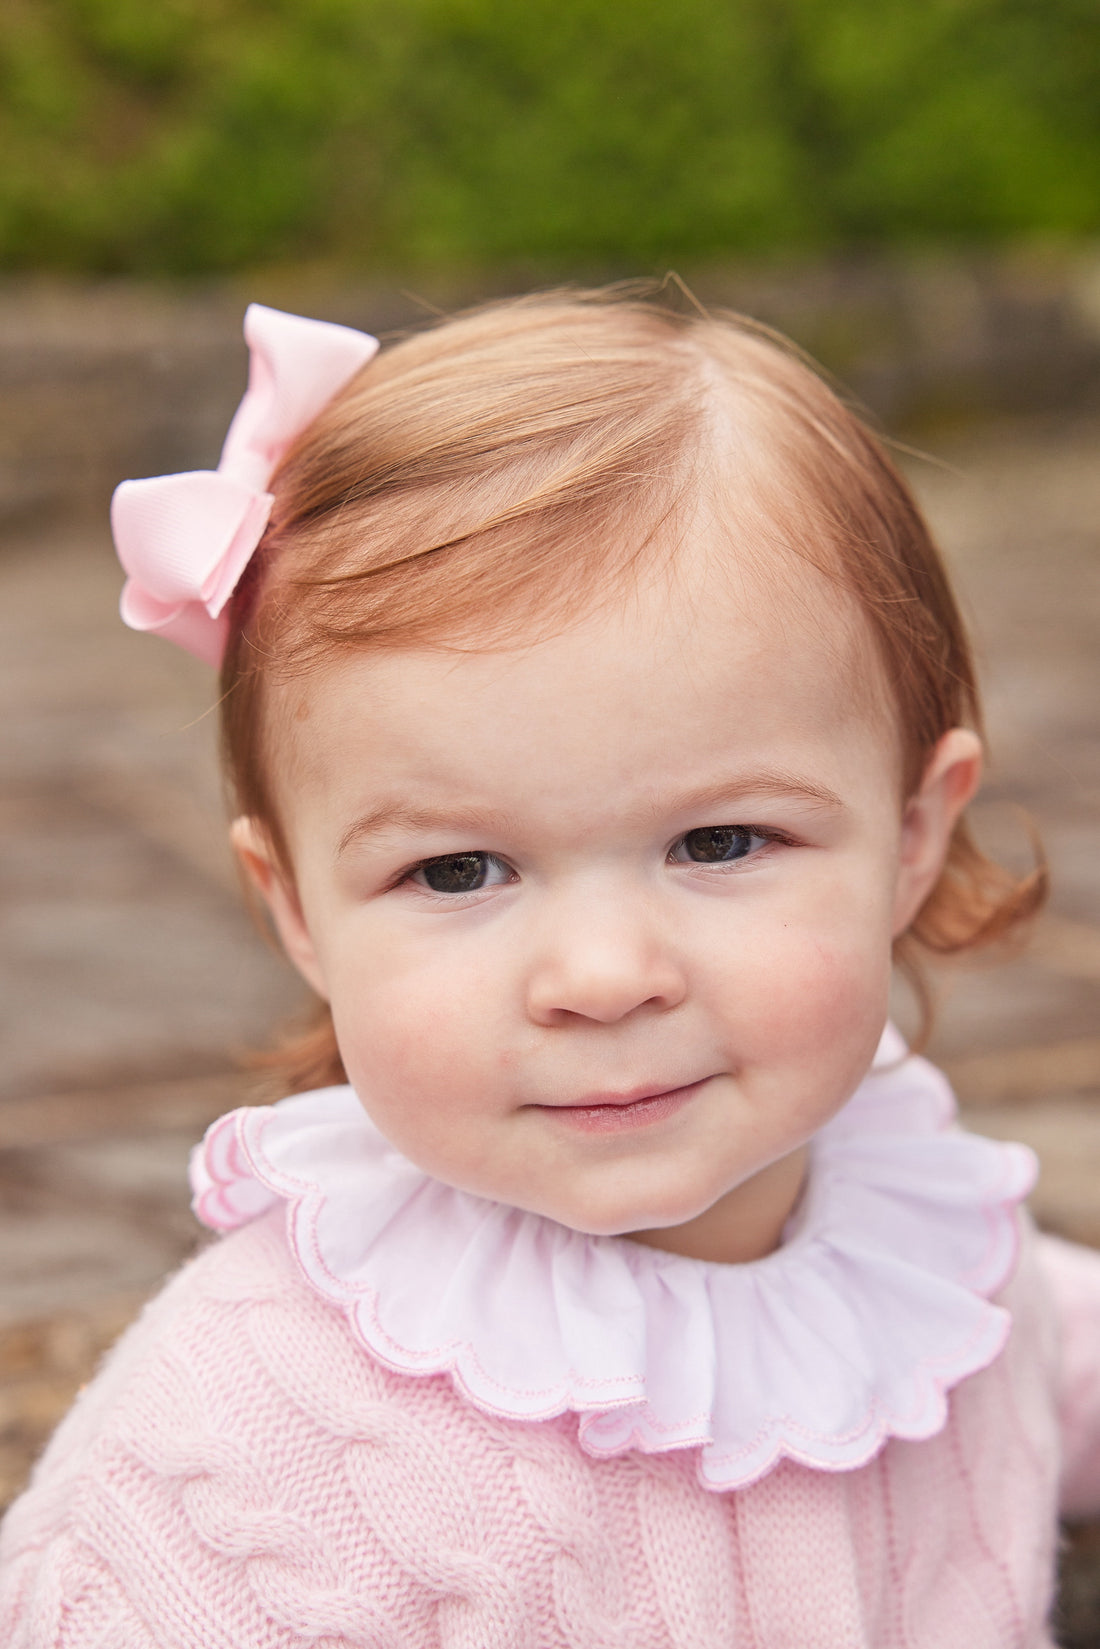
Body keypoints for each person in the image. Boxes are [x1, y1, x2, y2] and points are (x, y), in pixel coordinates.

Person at [2, 290, 1099, 1647]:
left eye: (720, 839)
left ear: (915, 837)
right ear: (293, 908)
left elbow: (1051, 1345)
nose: (600, 974)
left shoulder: (933, 1248)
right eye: (456, 870)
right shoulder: (255, 1439)